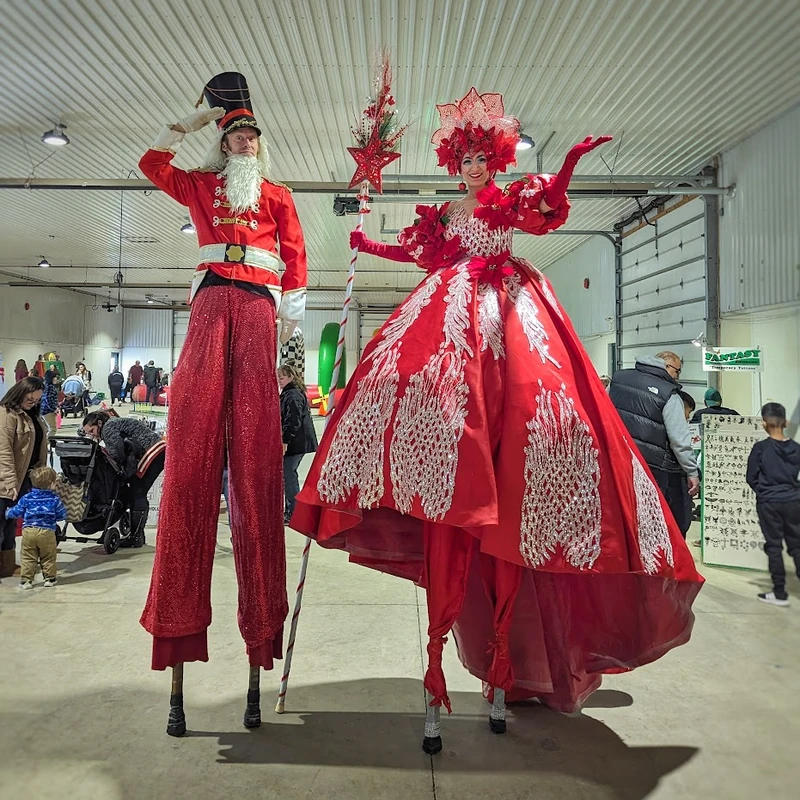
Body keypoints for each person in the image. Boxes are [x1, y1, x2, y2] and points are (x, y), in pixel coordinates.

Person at [291, 88, 702, 734]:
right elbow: (422, 255)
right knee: (397, 377)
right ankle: (442, 662)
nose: (476, 167)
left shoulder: (504, 205)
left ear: (497, 159)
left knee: (546, 412)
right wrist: (367, 247)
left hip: (504, 315)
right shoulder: (449, 213)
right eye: (468, 158)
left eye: (485, 157)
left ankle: (500, 672)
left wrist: (566, 166)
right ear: (457, 162)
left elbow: (546, 213)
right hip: (451, 311)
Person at [138, 71, 308, 672]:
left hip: (260, 305)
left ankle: (261, 619)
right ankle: (178, 616)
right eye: (235, 135)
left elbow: (296, 257)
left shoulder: (279, 194)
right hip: (212, 301)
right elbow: (151, 164)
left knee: (258, 448)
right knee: (194, 430)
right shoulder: (202, 185)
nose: (245, 143)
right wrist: (189, 124)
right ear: (223, 142)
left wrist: (291, 318)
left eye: (251, 136)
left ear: (262, 143)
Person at [609, 352, 700, 537]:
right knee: (651, 522)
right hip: (653, 468)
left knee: (621, 517)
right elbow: (679, 440)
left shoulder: (618, 379)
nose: (677, 376)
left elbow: (604, 414)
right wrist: (691, 471)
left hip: (617, 460)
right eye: (678, 371)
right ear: (666, 367)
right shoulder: (669, 393)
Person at [81, 411, 165, 546]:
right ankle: (137, 533)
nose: (92, 434)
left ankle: (136, 537)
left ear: (99, 423)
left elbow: (117, 451)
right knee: (137, 491)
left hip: (151, 452)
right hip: (156, 449)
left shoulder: (108, 428)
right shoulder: (113, 423)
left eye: (92, 430)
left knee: (138, 492)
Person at [746, 402, 800, 607]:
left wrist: (764, 491)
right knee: (797, 545)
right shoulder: (797, 449)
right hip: (794, 502)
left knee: (774, 546)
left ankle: (779, 592)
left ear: (764, 424)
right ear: (785, 422)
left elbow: (751, 477)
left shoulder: (760, 449)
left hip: (769, 503)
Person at [0, 377, 47, 579]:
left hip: (25, 479)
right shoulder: (6, 414)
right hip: (7, 481)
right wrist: (9, 481)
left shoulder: (31, 415)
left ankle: (6, 565)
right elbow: (3, 451)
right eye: (30, 399)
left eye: (36, 401)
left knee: (10, 525)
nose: (33, 403)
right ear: (21, 392)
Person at [5, 466, 66, 589]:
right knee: (48, 556)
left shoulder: (27, 498)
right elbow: (62, 515)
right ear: (50, 484)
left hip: (29, 531)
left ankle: (26, 581)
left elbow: (16, 512)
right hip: (47, 531)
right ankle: (49, 579)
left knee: (28, 556)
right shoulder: (54, 499)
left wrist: (7, 512)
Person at [278, 364, 317, 524]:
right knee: (289, 475)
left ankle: (293, 511)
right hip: (298, 442)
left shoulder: (292, 395)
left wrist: (285, 440)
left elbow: (292, 420)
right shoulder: (289, 393)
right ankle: (292, 509)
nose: (279, 381)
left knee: (289, 475)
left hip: (296, 443)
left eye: (282, 378)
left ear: (291, 378)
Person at [40, 366, 61, 433]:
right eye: (55, 377)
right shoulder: (50, 387)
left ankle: (46, 442)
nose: (56, 379)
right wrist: (54, 408)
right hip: (48, 411)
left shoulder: (45, 386)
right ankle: (49, 442)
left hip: (43, 410)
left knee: (46, 430)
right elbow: (48, 399)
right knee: (53, 429)